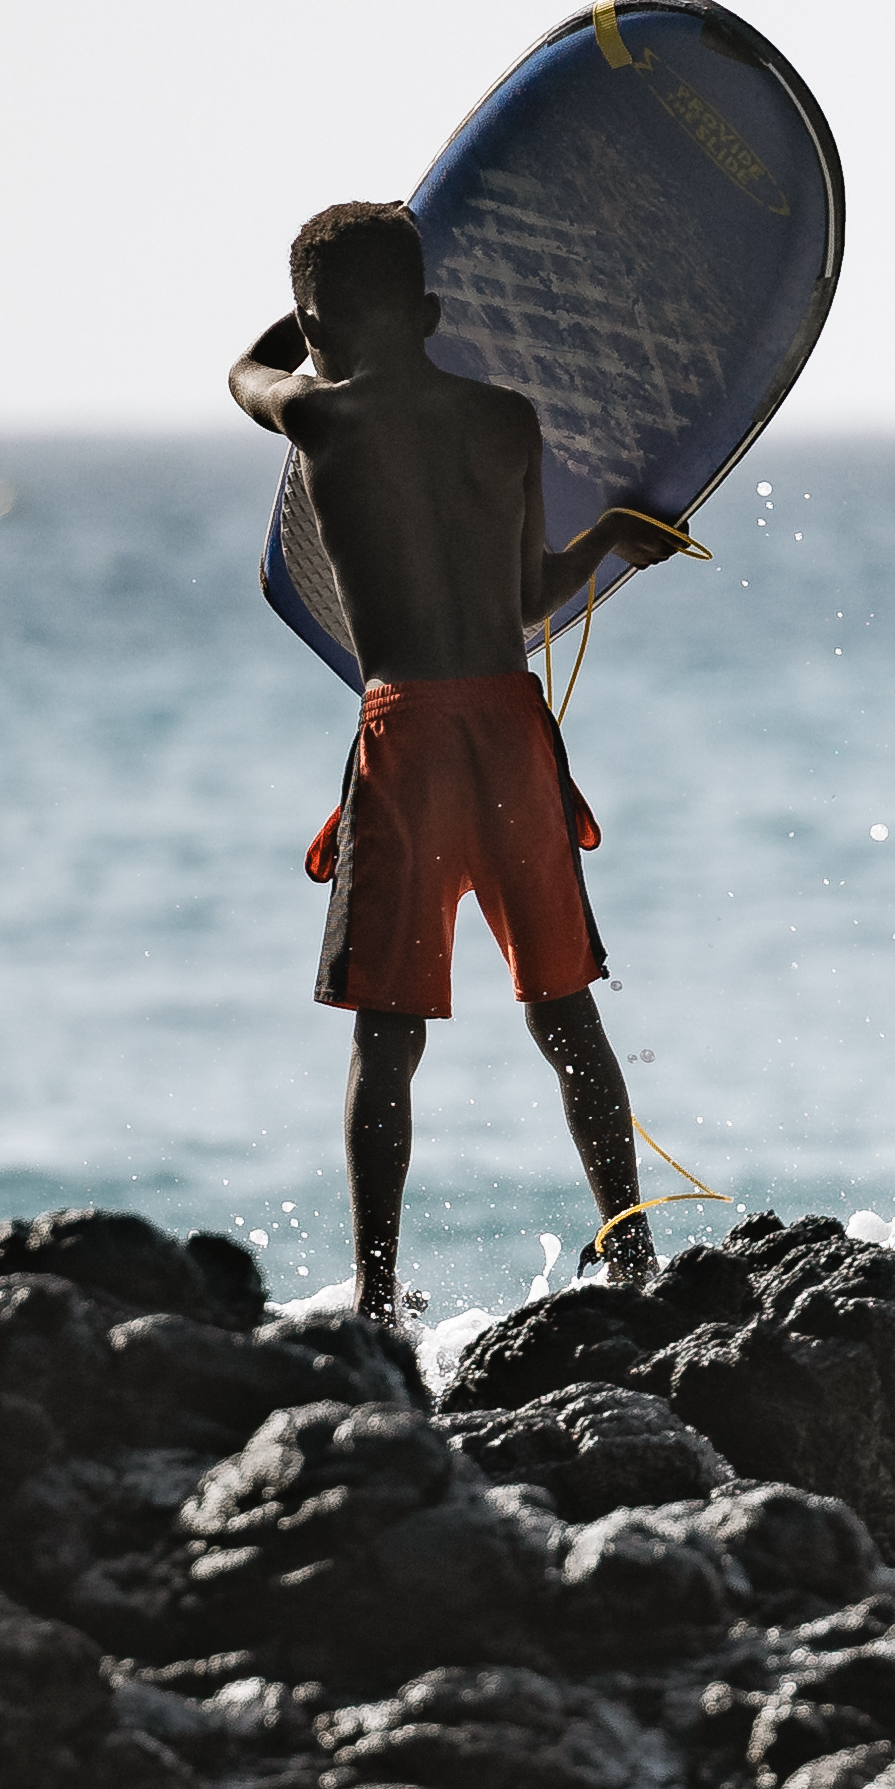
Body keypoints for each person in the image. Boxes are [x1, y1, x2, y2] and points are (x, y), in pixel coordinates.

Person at [241, 196, 648, 1318]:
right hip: (510, 729)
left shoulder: (320, 418)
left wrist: (295, 339)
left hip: (407, 733)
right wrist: (610, 537)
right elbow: (527, 599)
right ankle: (634, 1257)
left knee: (388, 1034)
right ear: (429, 312)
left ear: (314, 328)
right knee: (565, 1014)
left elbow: (242, 375)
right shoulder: (505, 420)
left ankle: (376, 1296)